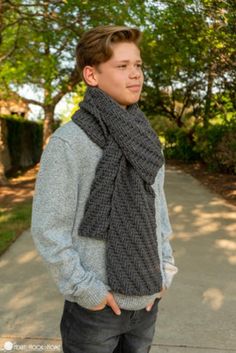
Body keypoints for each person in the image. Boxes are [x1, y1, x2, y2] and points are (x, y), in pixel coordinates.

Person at [31, 25, 178, 353]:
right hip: (94, 312)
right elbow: (48, 230)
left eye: (138, 65)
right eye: (122, 66)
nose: (135, 75)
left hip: (147, 301)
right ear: (91, 75)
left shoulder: (146, 142)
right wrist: (87, 291)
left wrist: (165, 270)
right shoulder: (70, 143)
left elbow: (158, 213)